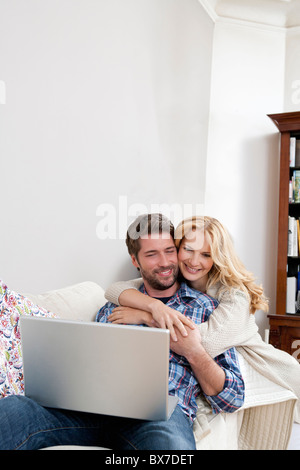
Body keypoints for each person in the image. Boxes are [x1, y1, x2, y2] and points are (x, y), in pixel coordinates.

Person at [0, 213, 244, 450]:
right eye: (152, 254)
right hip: (93, 411)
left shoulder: (207, 309)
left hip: (158, 416)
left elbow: (232, 398)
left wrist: (193, 352)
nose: (164, 262)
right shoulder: (113, 307)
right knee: (13, 410)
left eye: (169, 251)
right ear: (135, 261)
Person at [105, 215, 300, 424]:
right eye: (188, 249)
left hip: (274, 374)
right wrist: (155, 306)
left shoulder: (234, 296)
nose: (194, 261)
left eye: (206, 254)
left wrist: (146, 317)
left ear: (217, 257)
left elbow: (199, 344)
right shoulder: (176, 277)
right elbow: (115, 290)